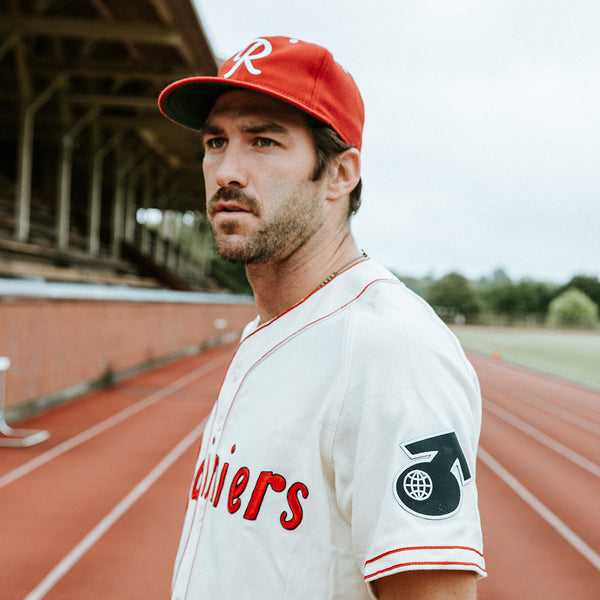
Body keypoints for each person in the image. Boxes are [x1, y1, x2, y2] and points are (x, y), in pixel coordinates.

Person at [159, 35, 486, 599]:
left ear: (340, 174)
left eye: (263, 141)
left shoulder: (391, 348)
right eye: (216, 141)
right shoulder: (272, 327)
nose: (226, 170)